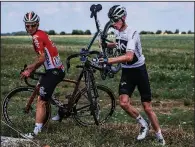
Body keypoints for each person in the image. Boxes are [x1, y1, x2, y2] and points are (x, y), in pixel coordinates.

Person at [99, 5, 165, 145]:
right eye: (111, 20)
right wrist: (106, 45)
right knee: (123, 103)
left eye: (115, 20)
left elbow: (129, 56)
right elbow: (117, 44)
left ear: (123, 18)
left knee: (147, 107)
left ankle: (159, 135)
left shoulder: (132, 32)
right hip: (127, 72)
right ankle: (143, 124)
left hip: (139, 70)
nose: (113, 23)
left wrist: (108, 60)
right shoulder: (117, 32)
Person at [21, 11, 65, 139]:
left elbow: (41, 59)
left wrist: (29, 70)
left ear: (37, 24)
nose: (29, 28)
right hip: (54, 69)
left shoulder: (36, 37)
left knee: (41, 100)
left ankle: (36, 132)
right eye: (27, 26)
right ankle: (61, 110)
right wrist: (30, 66)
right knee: (45, 93)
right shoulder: (40, 33)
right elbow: (42, 58)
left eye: (32, 25)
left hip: (54, 71)